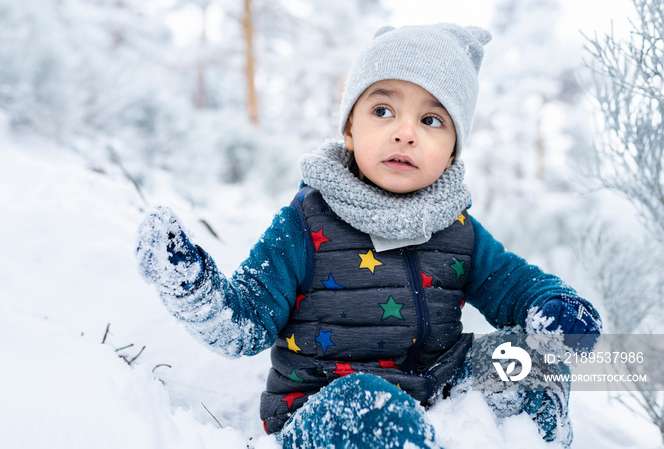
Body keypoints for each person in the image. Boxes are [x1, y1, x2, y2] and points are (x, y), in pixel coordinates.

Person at [136, 24, 601, 449]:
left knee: (528, 361)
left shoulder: (458, 229)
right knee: (371, 401)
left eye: (432, 120)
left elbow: (515, 284)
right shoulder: (306, 223)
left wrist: (553, 306)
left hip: (442, 387)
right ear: (349, 130)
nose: (405, 132)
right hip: (327, 408)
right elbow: (246, 324)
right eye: (383, 110)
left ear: (453, 151)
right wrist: (195, 290)